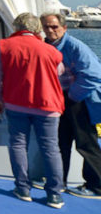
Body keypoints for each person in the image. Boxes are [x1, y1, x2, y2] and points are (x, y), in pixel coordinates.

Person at [0, 13, 65, 208]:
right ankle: (54, 195)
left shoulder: (5, 46)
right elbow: (60, 73)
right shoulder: (52, 51)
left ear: (16, 28)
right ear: (37, 29)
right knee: (50, 148)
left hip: (16, 103)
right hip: (47, 105)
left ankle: (23, 188)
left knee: (18, 144)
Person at [41, 12, 101, 198]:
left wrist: (72, 95)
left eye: (54, 27)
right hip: (60, 101)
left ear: (64, 28)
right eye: (46, 27)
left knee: (86, 143)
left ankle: (97, 185)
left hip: (80, 101)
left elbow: (94, 75)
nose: (50, 31)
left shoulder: (76, 47)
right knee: (61, 141)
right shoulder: (45, 46)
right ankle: (60, 181)